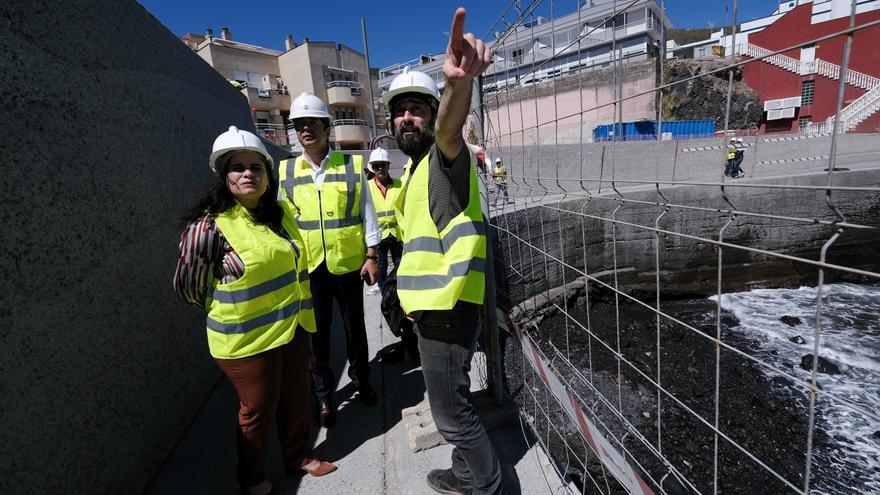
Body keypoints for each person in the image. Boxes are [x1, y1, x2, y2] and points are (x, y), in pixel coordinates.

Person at [173, 126, 336, 495]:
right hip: (245, 340)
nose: (248, 173)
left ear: (267, 175)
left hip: (291, 327)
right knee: (257, 411)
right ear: (224, 176)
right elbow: (189, 289)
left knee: (294, 397)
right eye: (238, 167)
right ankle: (252, 478)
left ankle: (299, 455)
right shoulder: (208, 228)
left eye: (256, 167)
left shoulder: (279, 214)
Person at [382, 8, 502, 495]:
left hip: (449, 308)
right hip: (432, 307)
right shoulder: (410, 172)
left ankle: (486, 484)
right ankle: (465, 472)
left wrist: (456, 83)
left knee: (452, 418)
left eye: (418, 108)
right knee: (453, 405)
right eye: (399, 110)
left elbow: (452, 131)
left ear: (431, 115)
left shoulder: (439, 156)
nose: (406, 117)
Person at [278, 92, 381, 429]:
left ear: (326, 126)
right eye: (299, 124)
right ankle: (323, 396)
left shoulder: (351, 166)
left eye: (312, 123)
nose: (305, 129)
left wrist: (371, 255)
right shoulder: (285, 171)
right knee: (316, 336)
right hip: (309, 269)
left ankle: (362, 380)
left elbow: (369, 213)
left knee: (355, 331)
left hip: (348, 263)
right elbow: (280, 222)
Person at [366, 147, 403, 294]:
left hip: (397, 234)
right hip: (378, 236)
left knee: (400, 267)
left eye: (383, 165)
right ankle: (385, 294)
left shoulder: (399, 185)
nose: (380, 168)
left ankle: (400, 293)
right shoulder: (367, 187)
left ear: (388, 165)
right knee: (381, 268)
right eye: (376, 166)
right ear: (372, 168)